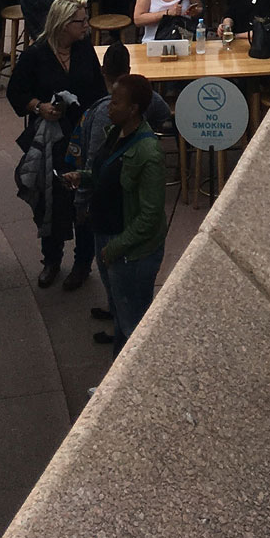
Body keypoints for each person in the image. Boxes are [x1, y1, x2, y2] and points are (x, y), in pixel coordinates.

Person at [6, 0, 103, 289]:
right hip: (52, 141)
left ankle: (83, 263)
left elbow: (98, 89)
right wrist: (38, 106)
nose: (87, 25)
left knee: (83, 200)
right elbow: (15, 92)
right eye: (81, 21)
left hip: (83, 136)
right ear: (63, 24)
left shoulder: (85, 49)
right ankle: (51, 259)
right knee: (51, 199)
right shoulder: (36, 54)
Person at [88, 74, 166, 353]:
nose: (109, 106)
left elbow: (150, 217)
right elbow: (105, 173)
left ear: (133, 109)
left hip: (129, 253)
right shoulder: (115, 133)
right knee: (121, 314)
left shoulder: (149, 153)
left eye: (116, 101)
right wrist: (83, 177)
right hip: (108, 237)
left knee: (133, 324)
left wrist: (115, 248)